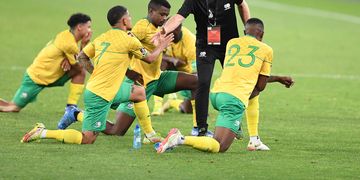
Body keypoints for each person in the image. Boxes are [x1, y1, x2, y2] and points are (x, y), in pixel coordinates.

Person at [21, 5, 173, 144]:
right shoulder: (129, 41)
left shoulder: (102, 37)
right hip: (99, 95)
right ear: (124, 20)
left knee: (139, 93)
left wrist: (95, 73)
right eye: (130, 17)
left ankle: (150, 134)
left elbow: (81, 57)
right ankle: (43, 132)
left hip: (109, 89)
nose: (131, 19)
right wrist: (162, 46)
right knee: (88, 139)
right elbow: (151, 58)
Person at [157, 18, 275, 153]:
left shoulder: (232, 42)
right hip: (233, 99)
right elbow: (260, 86)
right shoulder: (266, 50)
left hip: (216, 94)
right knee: (220, 146)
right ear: (262, 33)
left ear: (244, 31)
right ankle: (179, 139)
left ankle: (253, 139)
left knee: (223, 129)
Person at [155, 0, 251, 136]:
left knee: (235, 82)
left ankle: (234, 122)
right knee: (203, 82)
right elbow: (178, 17)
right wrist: (163, 30)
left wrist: (248, 29)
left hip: (229, 46)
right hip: (205, 46)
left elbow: (242, 4)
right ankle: (201, 128)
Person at [0, 13, 91, 115]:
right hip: (36, 78)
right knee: (13, 107)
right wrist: (84, 44)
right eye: (88, 27)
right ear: (79, 27)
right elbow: (81, 63)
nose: (90, 30)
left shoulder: (65, 35)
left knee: (80, 72)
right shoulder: (69, 43)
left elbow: (76, 61)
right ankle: (71, 108)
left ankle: (71, 107)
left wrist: (68, 58)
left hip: (54, 75)